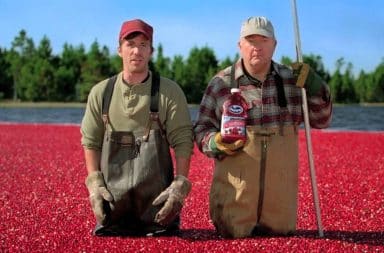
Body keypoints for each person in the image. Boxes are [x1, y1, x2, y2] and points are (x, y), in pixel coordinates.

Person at [194, 16, 332, 238]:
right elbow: (201, 129)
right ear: (240, 45)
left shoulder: (292, 80)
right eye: (250, 40)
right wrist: (215, 143)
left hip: (280, 211)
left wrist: (317, 87)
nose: (257, 47)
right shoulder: (221, 83)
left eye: (264, 40)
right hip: (234, 205)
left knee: (280, 235)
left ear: (275, 45)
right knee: (233, 233)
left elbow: (322, 120)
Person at [81, 19, 194, 236]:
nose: (136, 51)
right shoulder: (101, 93)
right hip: (111, 213)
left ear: (151, 51)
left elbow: (183, 141)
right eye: (130, 44)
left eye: (144, 45)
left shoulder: (169, 92)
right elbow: (91, 141)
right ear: (119, 50)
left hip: (158, 214)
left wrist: (180, 186)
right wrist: (94, 184)